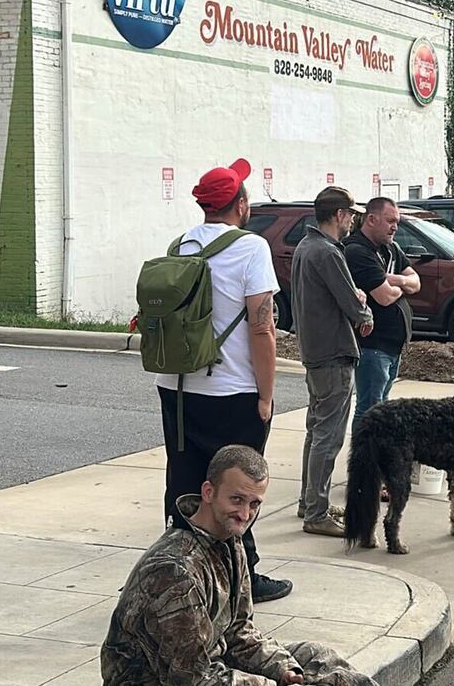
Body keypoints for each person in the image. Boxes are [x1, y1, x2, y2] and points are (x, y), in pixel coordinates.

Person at [101, 445, 378, 686]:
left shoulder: (230, 540)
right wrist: (268, 684)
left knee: (318, 658)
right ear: (208, 492)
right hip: (164, 681)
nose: (245, 514)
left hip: (211, 666)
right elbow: (190, 678)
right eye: (236, 500)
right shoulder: (174, 570)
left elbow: (238, 631)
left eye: (254, 503)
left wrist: (283, 670)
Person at [157, 158, 291, 602]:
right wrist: (267, 395)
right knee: (239, 490)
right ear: (241, 203)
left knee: (186, 482)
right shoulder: (251, 248)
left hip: (177, 386)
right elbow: (262, 327)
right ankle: (242, 580)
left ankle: (175, 576)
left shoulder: (181, 245)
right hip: (233, 391)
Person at [291, 187, 373, 538]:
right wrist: (364, 308)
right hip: (334, 351)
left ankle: (310, 501)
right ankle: (317, 512)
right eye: (352, 215)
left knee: (316, 429)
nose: (353, 220)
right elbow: (352, 304)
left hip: (314, 350)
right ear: (339, 214)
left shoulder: (305, 247)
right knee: (329, 434)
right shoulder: (327, 252)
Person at [344, 197, 421, 423]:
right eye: (390, 221)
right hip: (373, 346)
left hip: (393, 345)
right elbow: (385, 297)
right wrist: (401, 286)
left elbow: (416, 282)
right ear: (371, 219)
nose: (395, 227)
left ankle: (375, 454)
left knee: (382, 406)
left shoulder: (390, 248)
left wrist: (392, 279)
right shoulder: (357, 251)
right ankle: (363, 455)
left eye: (397, 221)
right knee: (370, 408)